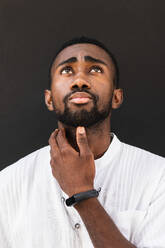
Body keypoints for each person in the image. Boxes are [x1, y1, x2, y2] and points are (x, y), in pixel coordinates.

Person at [0, 36, 165, 248]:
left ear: (117, 97)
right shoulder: (7, 184)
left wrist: (82, 193)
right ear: (49, 99)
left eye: (95, 69)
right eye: (67, 70)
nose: (79, 81)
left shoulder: (159, 177)